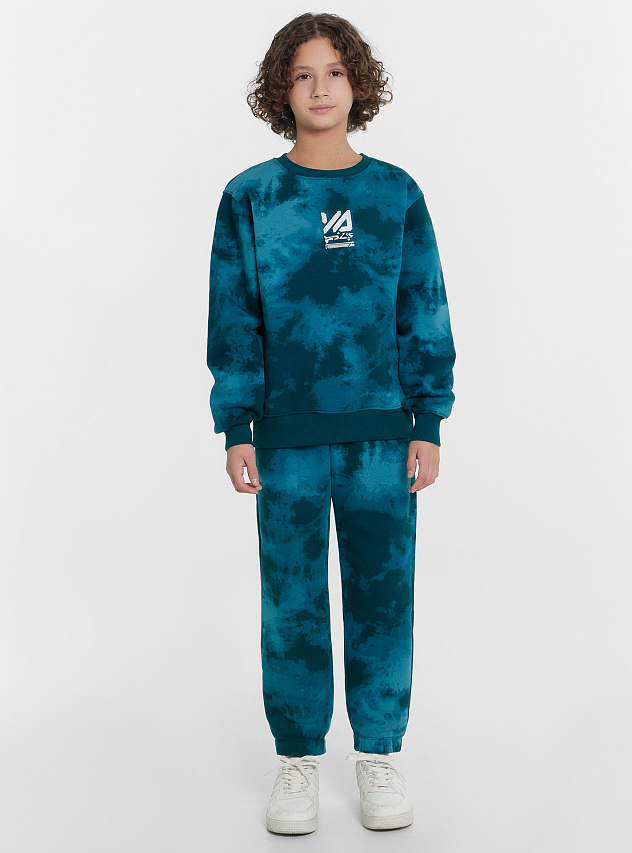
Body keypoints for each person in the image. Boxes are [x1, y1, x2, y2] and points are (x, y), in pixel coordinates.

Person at [206, 12, 456, 835]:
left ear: (359, 84)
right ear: (281, 90)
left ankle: (379, 750)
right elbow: (235, 318)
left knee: (384, 595)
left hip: (383, 437)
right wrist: (238, 425)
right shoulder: (250, 197)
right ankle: (298, 756)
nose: (320, 88)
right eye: (303, 74)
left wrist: (429, 419)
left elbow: (422, 306)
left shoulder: (395, 194)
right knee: (293, 602)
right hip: (285, 441)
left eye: (335, 72)